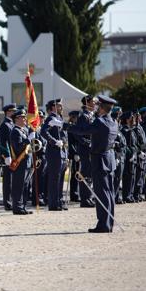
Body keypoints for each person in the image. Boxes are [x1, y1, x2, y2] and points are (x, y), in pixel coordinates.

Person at [54, 95, 118, 233]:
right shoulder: (113, 122)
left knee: (101, 193)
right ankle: (109, 222)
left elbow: (82, 130)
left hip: (100, 160)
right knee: (109, 192)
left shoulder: (100, 122)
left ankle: (103, 225)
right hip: (109, 159)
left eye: (98, 106)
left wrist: (63, 125)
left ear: (101, 108)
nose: (95, 107)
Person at [41, 99, 68, 211]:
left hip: (61, 153)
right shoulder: (51, 118)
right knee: (54, 179)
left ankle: (59, 201)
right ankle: (53, 203)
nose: (61, 107)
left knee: (60, 178)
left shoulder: (59, 119)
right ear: (53, 107)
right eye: (59, 105)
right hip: (54, 152)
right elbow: (43, 131)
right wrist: (54, 141)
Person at [74, 95, 97, 208]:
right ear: (87, 102)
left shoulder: (91, 115)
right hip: (85, 149)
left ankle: (89, 197)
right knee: (86, 173)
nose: (95, 103)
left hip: (91, 148)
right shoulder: (83, 116)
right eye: (93, 101)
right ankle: (84, 199)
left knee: (90, 174)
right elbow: (78, 134)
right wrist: (88, 143)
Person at [9, 109, 34, 215]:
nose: (25, 119)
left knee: (25, 185)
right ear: (16, 119)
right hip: (20, 163)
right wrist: (28, 139)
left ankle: (22, 206)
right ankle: (17, 207)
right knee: (18, 186)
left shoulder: (23, 130)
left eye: (24, 117)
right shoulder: (15, 131)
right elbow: (18, 148)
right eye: (22, 117)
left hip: (26, 162)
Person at [0, 103, 17, 210]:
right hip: (9, 156)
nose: (14, 113)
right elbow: (3, 142)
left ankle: (12, 200)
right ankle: (7, 202)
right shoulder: (5, 125)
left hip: (15, 155)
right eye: (12, 111)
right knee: (8, 181)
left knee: (13, 180)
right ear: (8, 112)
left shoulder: (12, 124)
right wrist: (6, 155)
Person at [120, 111, 138, 203]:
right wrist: (130, 154)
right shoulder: (125, 130)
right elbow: (126, 145)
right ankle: (126, 195)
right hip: (128, 157)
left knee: (132, 176)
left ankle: (130, 195)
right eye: (131, 118)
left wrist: (135, 153)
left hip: (133, 156)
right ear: (127, 119)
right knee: (128, 176)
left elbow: (134, 145)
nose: (133, 119)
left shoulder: (131, 130)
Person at [111, 107, 127, 204]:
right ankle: (113, 197)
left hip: (121, 156)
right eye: (118, 115)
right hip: (115, 156)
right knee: (114, 179)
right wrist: (116, 156)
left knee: (118, 179)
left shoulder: (119, 128)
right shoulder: (113, 127)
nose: (119, 118)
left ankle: (116, 197)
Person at [67, 111, 80, 203]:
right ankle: (74, 194)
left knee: (79, 174)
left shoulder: (77, 127)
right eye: (75, 117)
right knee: (75, 174)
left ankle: (77, 193)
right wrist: (75, 153)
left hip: (79, 153)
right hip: (73, 154)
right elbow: (70, 142)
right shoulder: (70, 127)